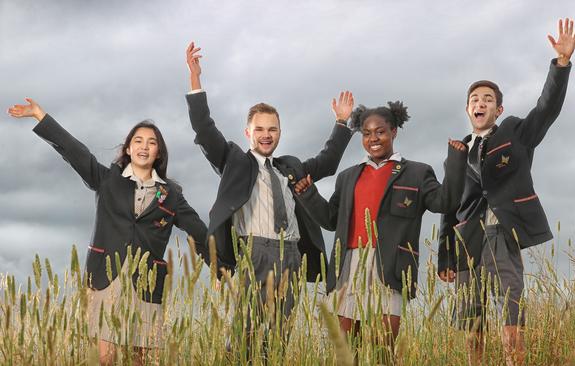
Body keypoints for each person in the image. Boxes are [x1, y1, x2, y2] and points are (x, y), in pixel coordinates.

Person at [7, 99, 208, 365]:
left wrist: (226, 264)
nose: (144, 146)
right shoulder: (108, 181)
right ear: (128, 148)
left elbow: (200, 232)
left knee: (142, 359)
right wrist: (39, 116)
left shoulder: (171, 196)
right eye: (138, 140)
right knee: (105, 358)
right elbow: (75, 152)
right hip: (106, 279)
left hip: (146, 284)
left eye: (151, 142)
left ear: (159, 152)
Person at [184, 42, 354, 342]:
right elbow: (205, 130)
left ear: (280, 132)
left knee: (278, 335)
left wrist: (341, 122)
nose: (266, 135)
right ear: (248, 133)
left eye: (272, 129)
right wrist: (196, 81)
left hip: (291, 253)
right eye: (259, 129)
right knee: (247, 333)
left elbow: (327, 161)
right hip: (255, 252)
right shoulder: (235, 161)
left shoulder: (290, 166)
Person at [437, 18, 575, 366]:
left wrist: (561, 65)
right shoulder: (458, 151)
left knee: (510, 308)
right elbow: (448, 204)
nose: (480, 103)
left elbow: (546, 110)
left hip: (503, 232)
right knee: (471, 319)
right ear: (468, 109)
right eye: (474, 99)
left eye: (487, 99)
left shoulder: (515, 132)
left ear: (497, 109)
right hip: (467, 239)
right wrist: (444, 255)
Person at [293, 101, 467, 352]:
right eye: (366, 133)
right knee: (344, 350)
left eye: (380, 131)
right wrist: (308, 194)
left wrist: (457, 160)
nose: (373, 138)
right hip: (349, 267)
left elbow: (446, 202)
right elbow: (331, 220)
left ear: (393, 131)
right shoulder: (348, 176)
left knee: (382, 349)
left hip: (390, 267)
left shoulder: (417, 173)